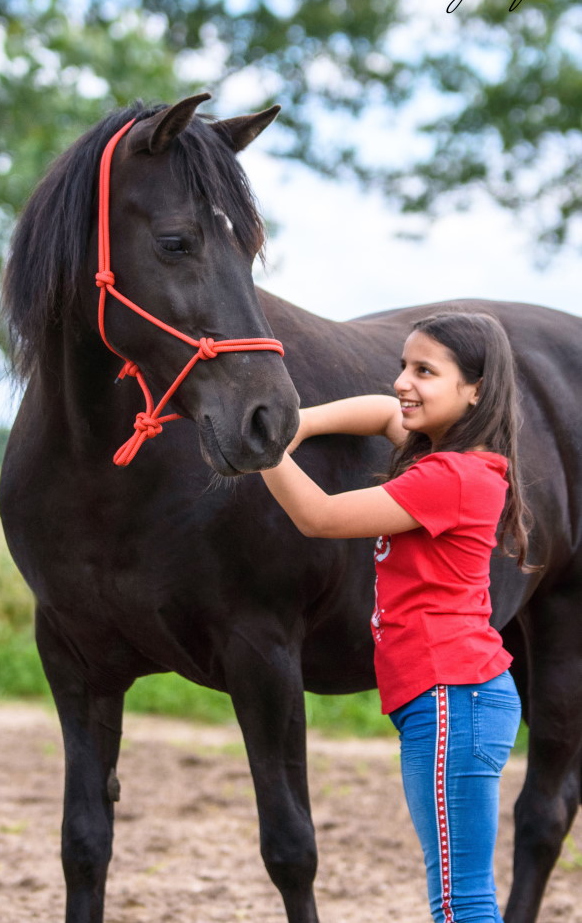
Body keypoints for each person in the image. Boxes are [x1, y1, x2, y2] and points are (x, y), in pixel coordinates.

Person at [260, 310, 528, 923]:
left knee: (461, 899)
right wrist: (299, 424)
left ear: (476, 390)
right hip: (451, 695)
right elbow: (384, 413)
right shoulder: (457, 456)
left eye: (425, 371)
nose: (404, 381)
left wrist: (262, 443)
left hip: (452, 697)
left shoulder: (449, 476)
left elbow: (320, 518)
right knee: (459, 890)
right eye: (403, 365)